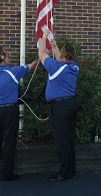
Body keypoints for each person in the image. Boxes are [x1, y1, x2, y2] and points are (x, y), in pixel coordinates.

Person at [0, 45, 38, 182]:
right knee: (9, 142)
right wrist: (41, 57)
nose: (10, 57)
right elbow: (31, 66)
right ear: (3, 59)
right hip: (9, 111)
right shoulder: (13, 72)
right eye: (8, 56)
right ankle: (7, 174)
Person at [38, 28, 79, 182]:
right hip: (71, 104)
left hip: (60, 108)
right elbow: (58, 55)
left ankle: (64, 173)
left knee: (62, 141)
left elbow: (42, 53)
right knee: (68, 139)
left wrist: (43, 36)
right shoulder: (73, 66)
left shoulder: (55, 68)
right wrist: (52, 41)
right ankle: (70, 171)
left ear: (62, 56)